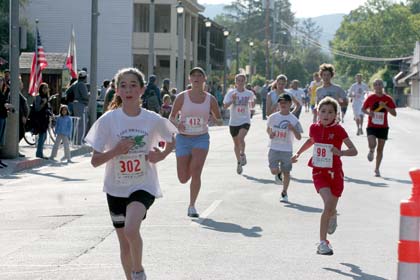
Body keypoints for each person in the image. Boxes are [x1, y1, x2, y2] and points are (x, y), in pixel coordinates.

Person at [85, 67, 177, 280]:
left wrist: (161, 155)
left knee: (131, 229)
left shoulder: (152, 119)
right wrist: (116, 150)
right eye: (123, 85)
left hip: (143, 184)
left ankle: (138, 271)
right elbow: (95, 161)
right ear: (117, 90)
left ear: (142, 90)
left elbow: (173, 139)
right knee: (124, 243)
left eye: (133, 85)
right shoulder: (108, 120)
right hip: (115, 188)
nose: (128, 90)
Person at [292, 97, 357, 255]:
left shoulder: (339, 130)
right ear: (317, 112)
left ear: (336, 115)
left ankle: (333, 214)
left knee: (330, 207)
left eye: (330, 112)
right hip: (319, 171)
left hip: (335, 173)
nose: (326, 115)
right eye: (323, 111)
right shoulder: (314, 128)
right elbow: (311, 141)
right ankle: (323, 243)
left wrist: (340, 152)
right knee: (327, 203)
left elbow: (354, 150)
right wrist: (298, 153)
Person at [169, 67, 223, 218]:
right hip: (183, 138)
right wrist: (177, 124)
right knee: (183, 178)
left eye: (200, 75)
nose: (197, 78)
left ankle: (192, 205)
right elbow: (171, 117)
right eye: (194, 76)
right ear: (189, 79)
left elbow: (219, 120)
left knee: (196, 170)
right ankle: (188, 172)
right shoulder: (182, 97)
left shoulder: (210, 99)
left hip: (201, 138)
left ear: (204, 79)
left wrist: (214, 120)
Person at [267, 93, 302, 202]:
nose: (283, 104)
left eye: (285, 102)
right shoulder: (273, 117)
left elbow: (299, 137)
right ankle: (277, 173)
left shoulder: (294, 120)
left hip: (287, 150)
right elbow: (268, 129)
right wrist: (270, 134)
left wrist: (293, 129)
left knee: (286, 172)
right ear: (278, 104)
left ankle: (284, 192)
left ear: (290, 104)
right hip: (274, 148)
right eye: (281, 102)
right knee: (273, 170)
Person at [362, 79, 396, 177]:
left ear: (382, 86)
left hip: (383, 127)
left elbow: (394, 114)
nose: (378, 86)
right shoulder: (370, 98)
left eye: (379, 84)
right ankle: (371, 151)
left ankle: (377, 169)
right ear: (374, 87)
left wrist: (385, 107)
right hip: (372, 125)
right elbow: (363, 109)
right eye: (376, 84)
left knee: (380, 150)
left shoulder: (388, 99)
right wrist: (369, 113)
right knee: (372, 144)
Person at [223, 74, 255, 175]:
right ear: (235, 82)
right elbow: (225, 106)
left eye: (242, 81)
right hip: (233, 122)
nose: (240, 82)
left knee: (241, 138)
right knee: (236, 143)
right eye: (238, 81)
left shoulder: (249, 93)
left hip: (245, 120)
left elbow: (253, 103)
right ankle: (238, 163)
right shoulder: (231, 93)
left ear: (245, 82)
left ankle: (242, 154)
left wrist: (252, 105)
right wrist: (232, 100)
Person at [65, 71, 89, 145]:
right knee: (82, 124)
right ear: (85, 77)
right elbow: (85, 96)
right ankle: (80, 141)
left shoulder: (75, 83)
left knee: (76, 123)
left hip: (74, 104)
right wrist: (89, 94)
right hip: (81, 104)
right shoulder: (82, 84)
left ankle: (75, 140)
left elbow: (67, 91)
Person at [34, 83, 52, 159]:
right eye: (44, 88)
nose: (45, 89)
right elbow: (37, 108)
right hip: (40, 119)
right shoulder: (38, 97)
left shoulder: (46, 97)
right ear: (41, 89)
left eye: (47, 88)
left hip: (45, 119)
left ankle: (40, 152)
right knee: (42, 136)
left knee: (44, 137)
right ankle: (39, 153)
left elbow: (48, 108)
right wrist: (43, 103)